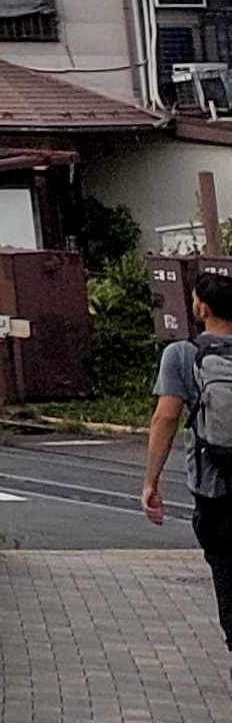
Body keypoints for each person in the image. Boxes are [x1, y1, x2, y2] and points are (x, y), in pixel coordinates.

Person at [145, 257, 232, 650]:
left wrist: (151, 481)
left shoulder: (181, 354)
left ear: (201, 309)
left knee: (227, 567)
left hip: (213, 486)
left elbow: (165, 418)